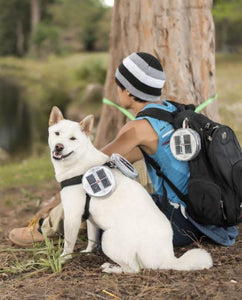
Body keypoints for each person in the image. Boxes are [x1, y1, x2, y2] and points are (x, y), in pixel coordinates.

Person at [9, 52, 238, 248]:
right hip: (209, 217)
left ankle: (44, 230)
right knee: (124, 180)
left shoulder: (137, 128)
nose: (116, 91)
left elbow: (87, 171)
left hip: (182, 224)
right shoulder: (173, 111)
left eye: (118, 86)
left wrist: (58, 197)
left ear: (128, 91)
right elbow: (132, 159)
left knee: (96, 196)